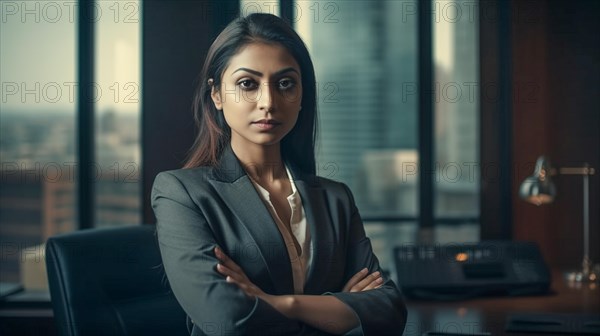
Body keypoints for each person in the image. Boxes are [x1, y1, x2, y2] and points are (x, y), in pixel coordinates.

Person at [151, 13, 407, 336]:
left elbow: (389, 310)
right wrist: (339, 313)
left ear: (302, 95)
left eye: (285, 83)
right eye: (248, 84)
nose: (268, 102)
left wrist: (281, 303)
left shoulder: (335, 198)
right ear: (216, 94)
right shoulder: (181, 194)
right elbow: (229, 320)